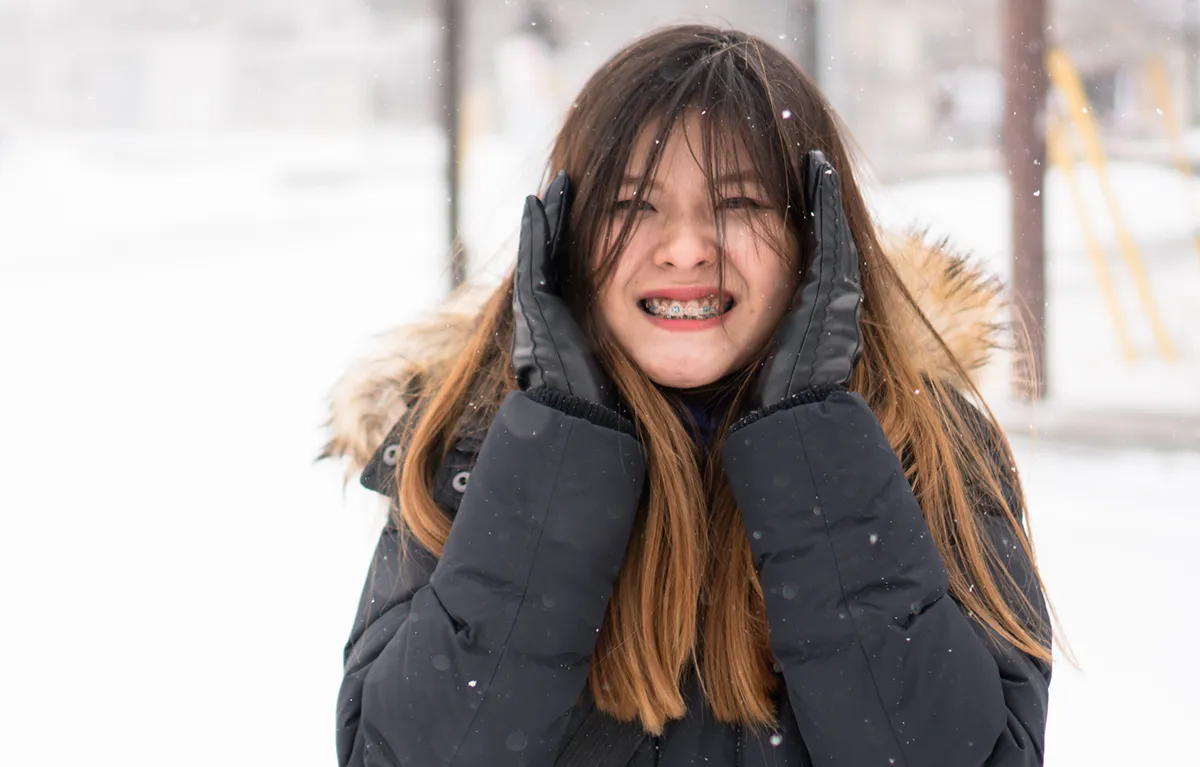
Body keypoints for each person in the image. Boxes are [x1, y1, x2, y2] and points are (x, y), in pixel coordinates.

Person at [321, 25, 1053, 767]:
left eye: (737, 203)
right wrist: (555, 454)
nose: (686, 247)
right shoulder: (473, 449)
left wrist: (815, 443)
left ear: (817, 234)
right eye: (634, 206)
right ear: (565, 238)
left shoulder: (925, 448)